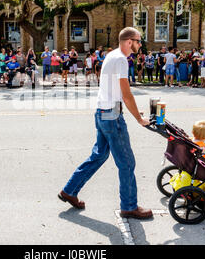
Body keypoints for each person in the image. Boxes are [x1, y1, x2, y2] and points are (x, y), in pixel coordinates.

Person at [59, 27, 153, 220]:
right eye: (138, 41)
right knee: (127, 163)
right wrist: (139, 118)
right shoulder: (121, 60)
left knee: (99, 155)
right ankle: (129, 206)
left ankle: (69, 190)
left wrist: (130, 109)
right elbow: (126, 93)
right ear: (129, 41)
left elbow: (114, 91)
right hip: (112, 115)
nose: (140, 44)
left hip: (102, 112)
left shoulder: (112, 56)